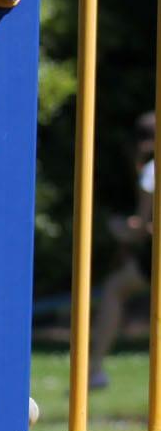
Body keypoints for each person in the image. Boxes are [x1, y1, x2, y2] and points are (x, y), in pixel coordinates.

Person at [90, 111, 155, 390]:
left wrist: (119, 228)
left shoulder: (152, 169)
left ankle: (94, 370)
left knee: (115, 289)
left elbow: (140, 228)